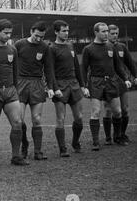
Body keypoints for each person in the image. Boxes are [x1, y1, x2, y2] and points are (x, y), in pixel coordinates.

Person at [0, 19, 29, 166]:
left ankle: (16, 156)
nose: (8, 36)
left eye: (10, 33)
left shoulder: (12, 49)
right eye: (5, 33)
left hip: (10, 91)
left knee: (17, 123)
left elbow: (15, 72)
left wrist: (14, 88)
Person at [82, 22, 131, 150]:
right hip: (96, 82)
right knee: (96, 112)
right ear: (96, 32)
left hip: (111, 81)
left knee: (118, 111)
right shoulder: (88, 49)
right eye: (103, 31)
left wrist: (125, 78)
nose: (106, 34)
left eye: (106, 31)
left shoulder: (111, 46)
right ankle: (96, 142)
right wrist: (84, 86)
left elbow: (118, 66)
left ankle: (117, 137)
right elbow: (83, 68)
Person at [14, 21, 55, 160]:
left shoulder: (45, 47)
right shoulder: (19, 44)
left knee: (37, 119)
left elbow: (49, 69)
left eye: (41, 37)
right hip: (20, 82)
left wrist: (50, 87)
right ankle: (24, 144)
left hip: (37, 83)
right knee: (19, 120)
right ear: (31, 31)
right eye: (37, 35)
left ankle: (38, 151)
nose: (38, 39)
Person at [49, 20, 87, 156]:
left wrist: (83, 85)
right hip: (60, 85)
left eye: (67, 30)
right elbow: (50, 71)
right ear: (56, 32)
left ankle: (75, 142)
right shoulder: (51, 48)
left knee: (79, 117)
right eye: (63, 31)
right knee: (61, 118)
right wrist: (54, 87)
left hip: (74, 85)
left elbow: (77, 67)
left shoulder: (70, 45)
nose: (66, 33)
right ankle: (62, 149)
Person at [102, 24, 137, 144]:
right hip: (108, 82)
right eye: (112, 33)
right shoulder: (103, 47)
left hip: (121, 82)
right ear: (107, 33)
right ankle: (108, 138)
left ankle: (121, 134)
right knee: (108, 110)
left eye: (117, 33)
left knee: (124, 109)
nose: (115, 35)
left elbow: (130, 63)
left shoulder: (122, 47)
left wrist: (135, 76)